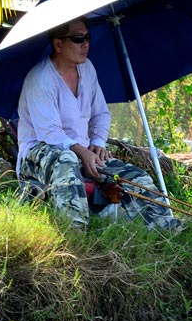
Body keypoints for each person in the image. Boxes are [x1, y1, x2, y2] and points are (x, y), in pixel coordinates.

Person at [15, 17, 182, 232]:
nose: (86, 44)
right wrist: (82, 152)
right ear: (58, 44)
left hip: (81, 151)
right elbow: (49, 132)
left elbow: (101, 114)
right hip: (39, 154)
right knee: (65, 159)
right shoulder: (40, 78)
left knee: (136, 176)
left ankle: (166, 230)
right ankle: (74, 233)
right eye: (78, 38)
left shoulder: (87, 69)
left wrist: (97, 143)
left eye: (87, 37)